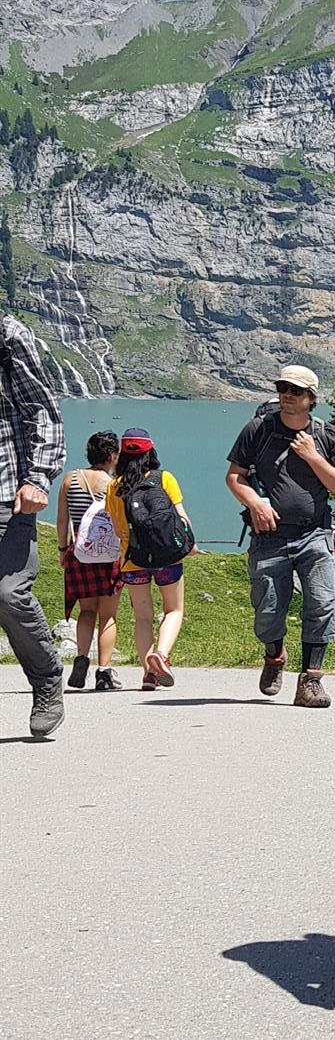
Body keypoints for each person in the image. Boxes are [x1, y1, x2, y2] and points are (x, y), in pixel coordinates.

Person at [226, 368, 335, 708]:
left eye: (295, 390)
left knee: (323, 603)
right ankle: (274, 654)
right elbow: (234, 477)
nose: (286, 394)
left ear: (311, 398)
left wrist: (312, 456)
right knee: (268, 609)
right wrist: (254, 502)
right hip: (269, 536)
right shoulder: (258, 430)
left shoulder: (327, 436)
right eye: (282, 388)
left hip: (315, 533)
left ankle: (310, 680)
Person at [0, 312, 67, 737]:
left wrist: (38, 477)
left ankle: (45, 679)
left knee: (7, 592)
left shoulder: (7, 333)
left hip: (8, 492)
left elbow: (41, 409)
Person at [106, 429, 192, 690]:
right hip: (167, 558)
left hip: (133, 560)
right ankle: (162, 655)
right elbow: (182, 518)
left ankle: (148, 673)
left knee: (142, 617)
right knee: (173, 610)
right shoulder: (164, 479)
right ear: (150, 451)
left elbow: (115, 527)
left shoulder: (114, 486)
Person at [55, 429, 124, 690]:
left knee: (86, 610)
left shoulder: (70, 479)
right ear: (111, 455)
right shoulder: (113, 485)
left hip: (79, 554)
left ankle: (81, 659)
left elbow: (62, 520)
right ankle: (104, 672)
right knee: (108, 615)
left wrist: (63, 550)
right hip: (109, 556)